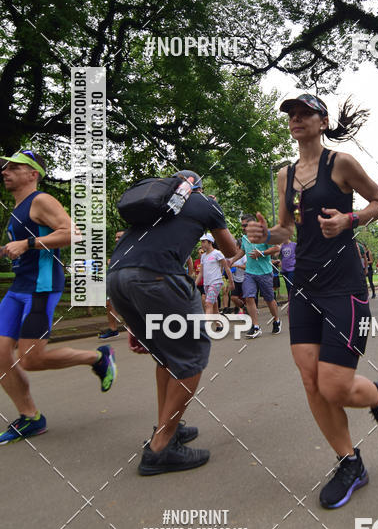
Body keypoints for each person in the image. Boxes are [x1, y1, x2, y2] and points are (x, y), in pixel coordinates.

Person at [247, 93, 378, 510]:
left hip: (345, 286)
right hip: (303, 286)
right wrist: (268, 238)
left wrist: (349, 219)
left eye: (305, 113)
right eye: (291, 115)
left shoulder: (341, 163)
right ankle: (349, 461)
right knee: (310, 380)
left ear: (322, 121)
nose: (296, 119)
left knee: (335, 385)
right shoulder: (283, 175)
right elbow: (287, 231)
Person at [107, 170, 237, 476]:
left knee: (166, 355)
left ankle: (167, 426)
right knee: (191, 356)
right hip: (157, 278)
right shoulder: (204, 202)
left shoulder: (153, 207)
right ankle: (161, 447)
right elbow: (230, 251)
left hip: (119, 279)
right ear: (198, 188)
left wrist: (133, 323)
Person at [0, 150, 117, 445]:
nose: (6, 171)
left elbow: (73, 233)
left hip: (40, 288)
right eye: (5, 167)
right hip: (18, 289)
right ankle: (31, 418)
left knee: (30, 359)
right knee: (0, 355)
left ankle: (98, 357)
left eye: (14, 167)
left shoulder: (41, 201)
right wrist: (14, 248)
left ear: (33, 174)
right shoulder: (18, 207)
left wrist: (26, 244)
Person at [230, 215, 281, 338]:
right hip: (250, 273)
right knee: (248, 297)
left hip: (264, 273)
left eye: (245, 225)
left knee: (269, 300)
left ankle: (276, 320)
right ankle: (256, 326)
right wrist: (232, 260)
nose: (243, 228)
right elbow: (242, 251)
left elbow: (276, 248)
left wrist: (262, 253)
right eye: (242, 225)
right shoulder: (244, 238)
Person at [196, 233, 234, 317]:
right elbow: (201, 273)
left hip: (216, 282)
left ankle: (206, 328)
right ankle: (218, 325)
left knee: (208, 304)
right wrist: (194, 285)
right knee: (214, 306)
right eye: (201, 242)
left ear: (210, 242)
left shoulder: (217, 253)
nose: (201, 244)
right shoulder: (203, 257)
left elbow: (226, 268)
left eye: (203, 241)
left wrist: (231, 282)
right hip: (206, 284)